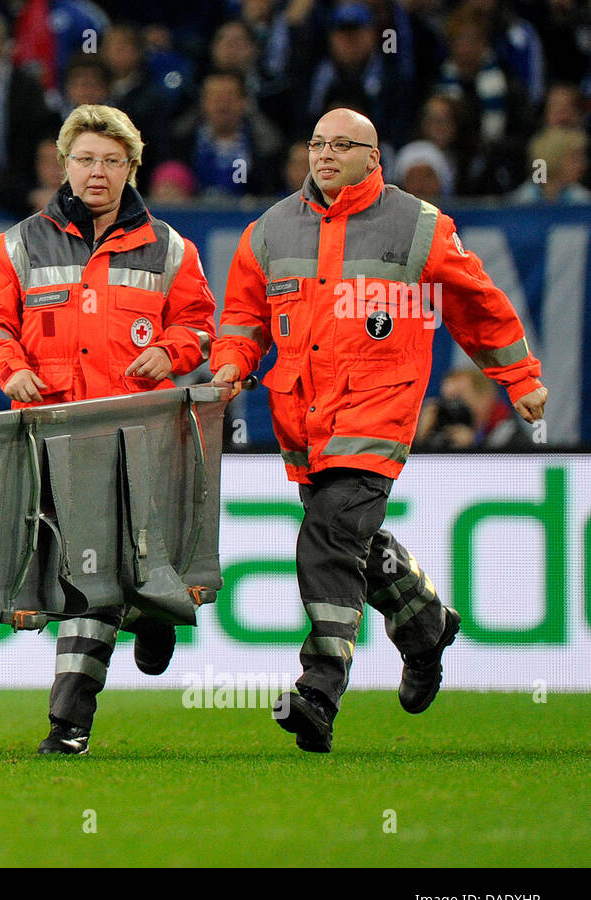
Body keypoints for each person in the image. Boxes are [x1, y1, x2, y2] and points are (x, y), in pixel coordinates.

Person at [211, 108, 548, 753]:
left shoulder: (418, 226)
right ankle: (422, 624)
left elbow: (476, 303)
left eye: (344, 145)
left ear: (374, 156)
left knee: (329, 533)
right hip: (303, 418)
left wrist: (520, 377)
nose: (327, 154)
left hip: (378, 410)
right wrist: (230, 364)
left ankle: (319, 689)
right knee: (349, 537)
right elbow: (243, 320)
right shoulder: (270, 230)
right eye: (317, 143)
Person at [0, 104, 217, 756]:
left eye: (110, 161)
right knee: (85, 578)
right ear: (64, 163)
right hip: (53, 437)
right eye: (85, 159)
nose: (96, 172)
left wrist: (174, 351)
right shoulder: (17, 244)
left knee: (91, 577)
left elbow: (200, 324)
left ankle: (69, 723)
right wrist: (7, 366)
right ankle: (147, 611)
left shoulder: (171, 248)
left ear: (131, 167)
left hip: (137, 439)